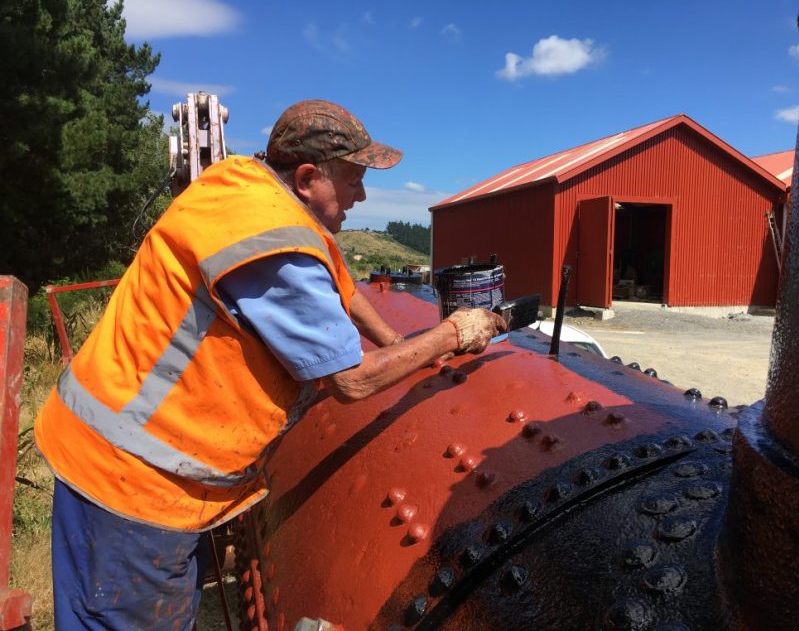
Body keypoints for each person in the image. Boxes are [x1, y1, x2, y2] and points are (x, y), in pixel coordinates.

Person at [34, 99, 506, 629]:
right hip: (134, 485)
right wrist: (452, 332)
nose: (364, 195)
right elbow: (350, 382)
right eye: (353, 179)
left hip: (99, 441)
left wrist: (398, 341)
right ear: (307, 177)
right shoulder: (277, 250)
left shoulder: (239, 184)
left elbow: (339, 278)